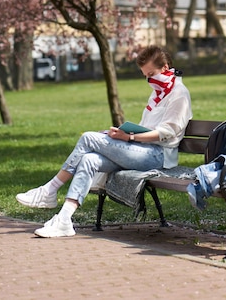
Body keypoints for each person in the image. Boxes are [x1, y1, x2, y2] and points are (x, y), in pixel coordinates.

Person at [16, 45, 192, 238]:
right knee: (89, 159)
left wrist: (129, 138)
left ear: (165, 68)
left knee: (88, 138)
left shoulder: (179, 94)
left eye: (151, 74)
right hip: (140, 151)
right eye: (145, 76)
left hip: (158, 157)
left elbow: (165, 133)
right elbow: (145, 127)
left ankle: (49, 190)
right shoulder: (158, 93)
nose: (148, 80)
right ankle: (64, 219)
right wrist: (121, 135)